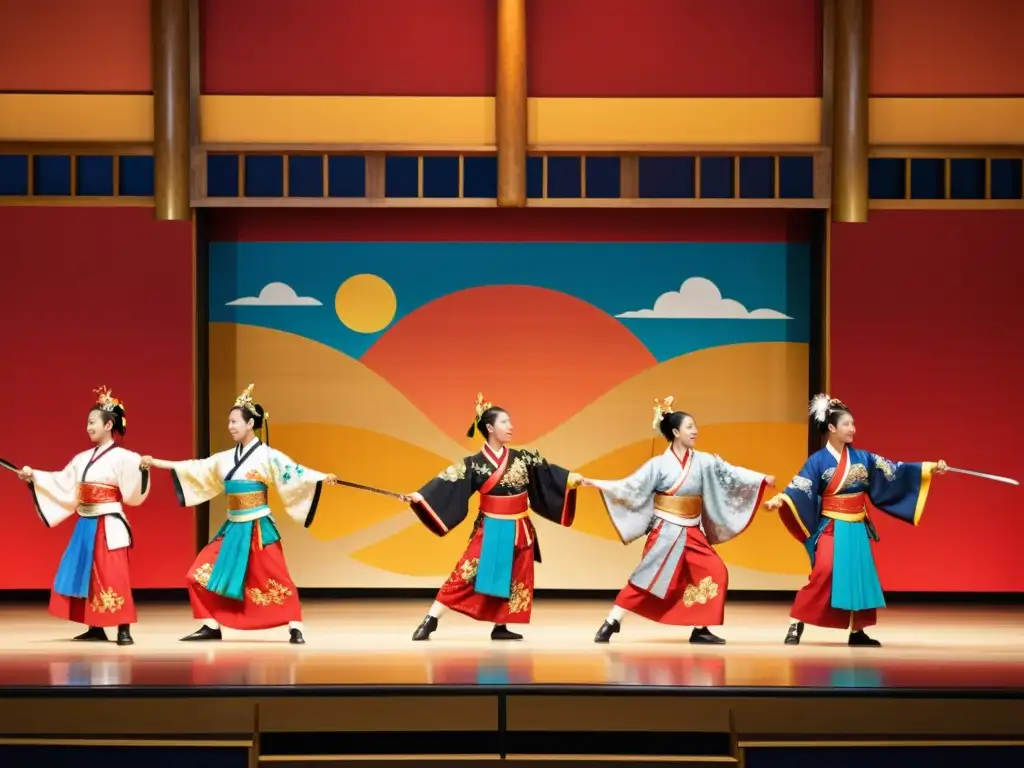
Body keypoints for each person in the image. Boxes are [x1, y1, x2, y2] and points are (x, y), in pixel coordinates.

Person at [141, 384, 336, 645]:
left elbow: (295, 471)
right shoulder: (224, 458)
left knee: (277, 576)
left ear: (250, 423)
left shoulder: (268, 455)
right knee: (196, 574)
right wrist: (156, 462)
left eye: (235, 421)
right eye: (229, 422)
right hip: (233, 526)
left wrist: (323, 477)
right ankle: (210, 624)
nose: (230, 426)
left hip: (258, 527)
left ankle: (295, 625)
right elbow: (195, 468)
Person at [583, 397, 774, 644]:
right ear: (675, 432)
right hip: (666, 530)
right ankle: (612, 621)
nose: (695, 431)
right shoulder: (659, 464)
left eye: (695, 426)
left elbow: (730, 471)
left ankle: (700, 628)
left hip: (693, 529)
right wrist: (597, 483)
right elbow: (630, 486)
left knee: (716, 571)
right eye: (689, 427)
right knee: (647, 579)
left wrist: (759, 478)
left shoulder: (704, 460)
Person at [765, 394, 947, 647]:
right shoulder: (818, 461)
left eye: (853, 424)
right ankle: (796, 622)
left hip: (857, 525)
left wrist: (928, 468)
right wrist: (781, 500)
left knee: (859, 576)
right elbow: (801, 485)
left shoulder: (864, 458)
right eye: (847, 424)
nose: (852, 429)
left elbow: (895, 469)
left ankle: (857, 630)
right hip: (831, 525)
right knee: (824, 572)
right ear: (831, 428)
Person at [407, 393, 582, 641]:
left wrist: (571, 479)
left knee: (514, 577)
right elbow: (447, 480)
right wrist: (420, 496)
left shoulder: (523, 458)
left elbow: (548, 473)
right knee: (464, 574)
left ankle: (501, 625)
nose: (510, 427)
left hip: (520, 526)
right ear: (489, 427)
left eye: (510, 422)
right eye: (504, 422)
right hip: (490, 526)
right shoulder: (474, 464)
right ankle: (431, 618)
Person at [17, 387, 151, 646]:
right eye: (87, 422)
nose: (88, 427)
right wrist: (34, 477)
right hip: (86, 521)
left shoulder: (125, 457)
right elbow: (63, 482)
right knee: (86, 573)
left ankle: (124, 628)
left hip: (108, 522)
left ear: (108, 424)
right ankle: (95, 626)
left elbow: (134, 492)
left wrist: (143, 469)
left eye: (93, 422)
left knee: (114, 574)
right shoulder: (81, 459)